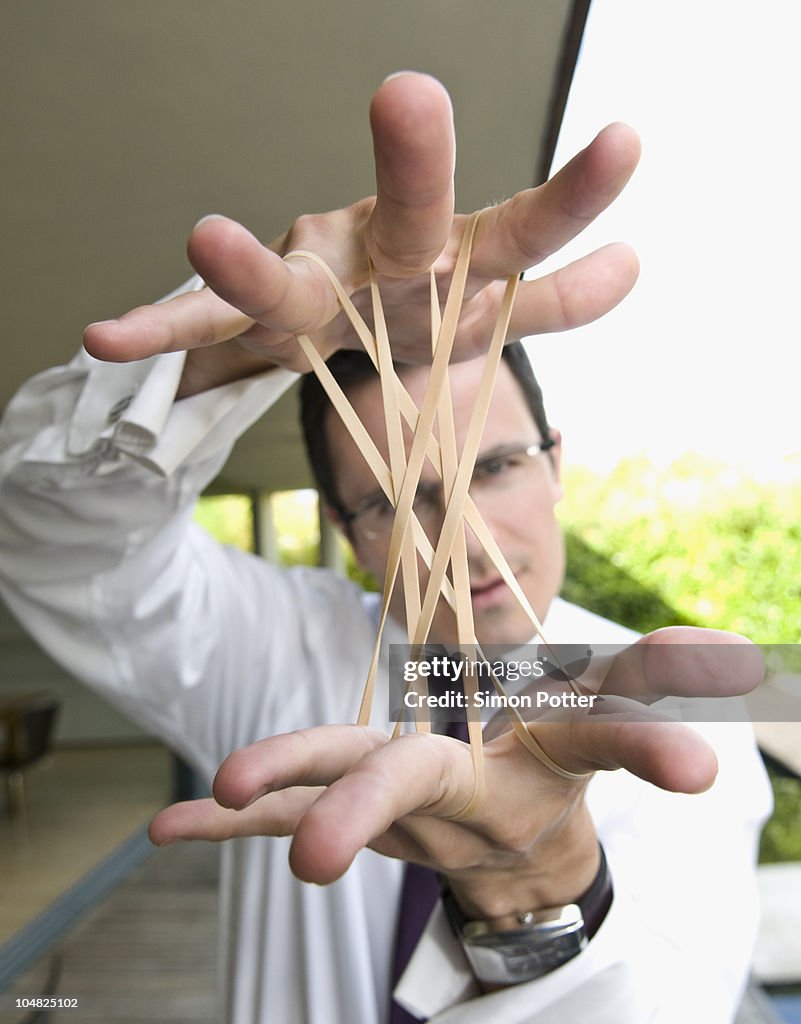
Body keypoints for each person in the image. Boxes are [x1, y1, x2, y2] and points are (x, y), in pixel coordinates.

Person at [0, 73, 771, 1023]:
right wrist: (239, 352)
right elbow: (53, 540)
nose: (465, 538)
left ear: (555, 463)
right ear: (343, 531)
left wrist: (541, 884)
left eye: (495, 468)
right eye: (396, 499)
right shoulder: (269, 649)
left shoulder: (675, 719)